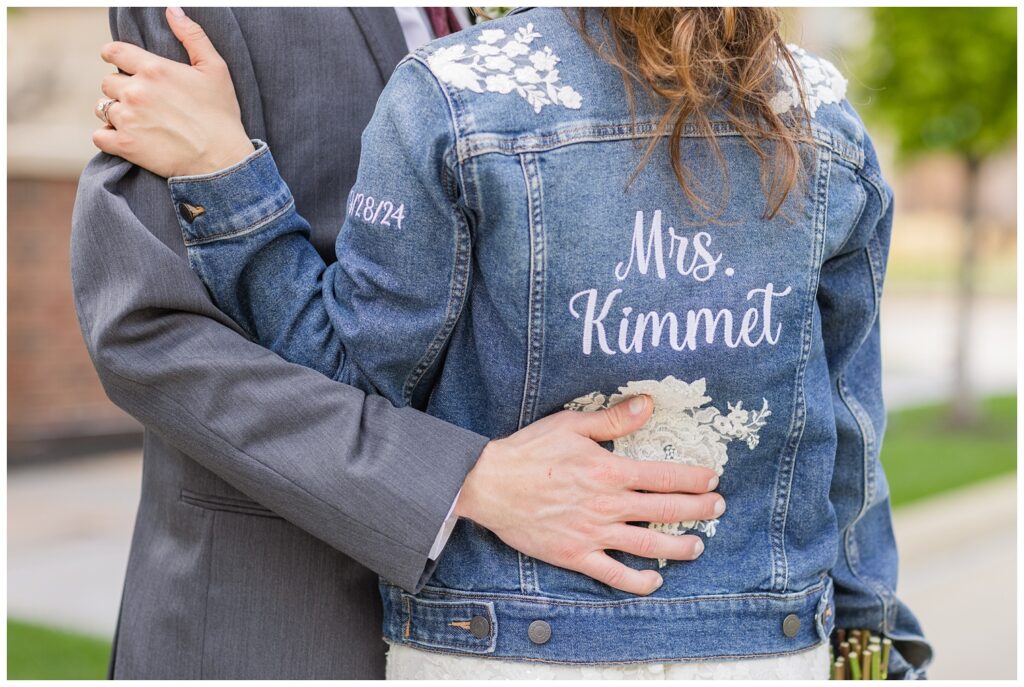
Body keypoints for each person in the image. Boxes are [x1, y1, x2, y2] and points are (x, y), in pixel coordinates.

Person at [89, 5, 935, 680]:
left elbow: (350, 367)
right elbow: (846, 428)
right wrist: (872, 651)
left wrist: (234, 186)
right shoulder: (822, 112)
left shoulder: (454, 91)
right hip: (770, 647)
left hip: (500, 643)